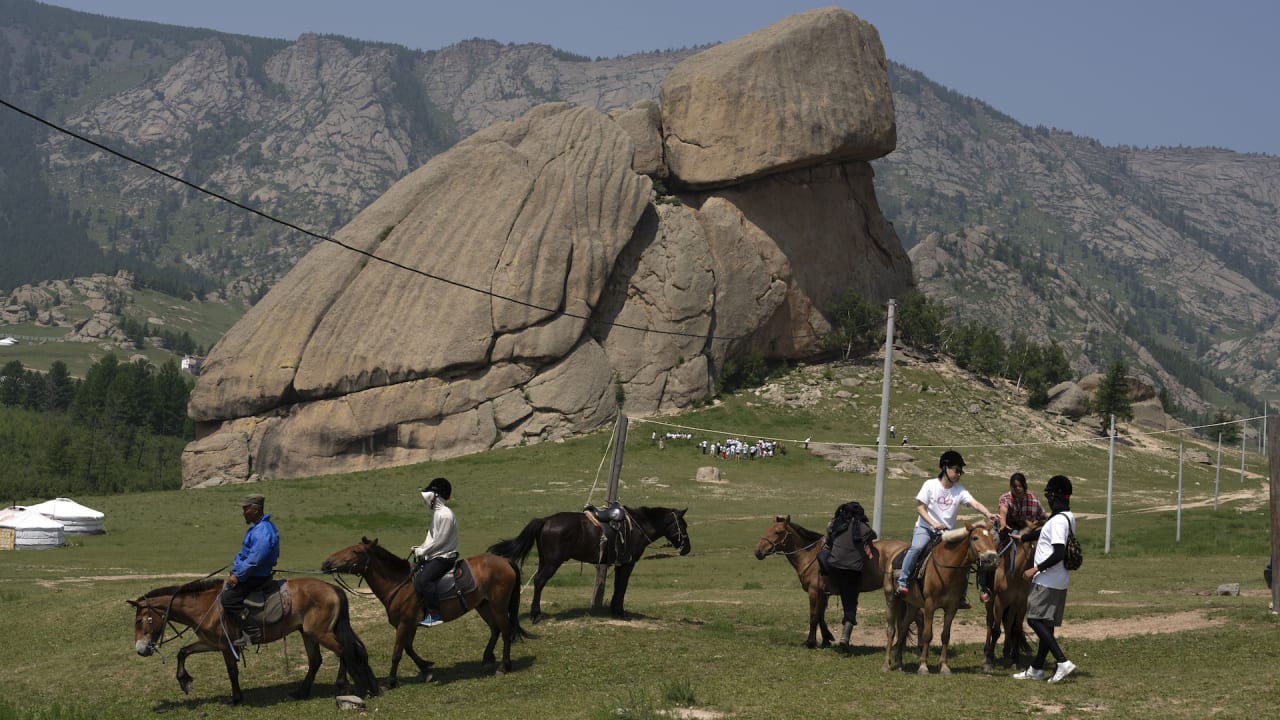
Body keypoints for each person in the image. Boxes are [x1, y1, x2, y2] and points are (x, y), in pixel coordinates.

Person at [896, 450, 999, 608]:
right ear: (945, 468)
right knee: (916, 548)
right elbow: (920, 508)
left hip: (948, 533)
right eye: (956, 470)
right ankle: (902, 582)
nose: (958, 474)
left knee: (964, 557)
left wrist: (988, 513)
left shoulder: (959, 490)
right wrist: (933, 524)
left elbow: (975, 503)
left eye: (960, 471)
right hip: (926, 528)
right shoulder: (930, 485)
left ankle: (961, 596)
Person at [1013, 474, 1078, 683]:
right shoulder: (1067, 517)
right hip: (1059, 580)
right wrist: (1023, 537)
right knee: (1046, 625)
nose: (1048, 499)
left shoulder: (1059, 521)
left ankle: (1062, 661)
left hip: (1047, 579)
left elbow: (1058, 552)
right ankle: (1036, 669)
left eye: (1049, 494)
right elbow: (1044, 533)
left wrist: (1035, 569)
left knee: (1034, 619)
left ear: (1057, 496)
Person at [220, 494, 280, 646]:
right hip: (251, 572)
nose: (243, 513)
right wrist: (235, 568)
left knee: (228, 599)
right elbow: (244, 554)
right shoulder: (257, 528)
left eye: (245, 509)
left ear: (255, 509)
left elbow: (256, 558)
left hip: (256, 576)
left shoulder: (262, 530)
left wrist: (238, 576)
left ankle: (253, 631)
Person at [979, 472, 1049, 602]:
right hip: (1005, 530)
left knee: (1041, 550)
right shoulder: (1005, 498)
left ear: (1024, 486)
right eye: (1014, 486)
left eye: (1019, 486)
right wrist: (1003, 524)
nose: (1017, 489)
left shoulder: (1033, 500)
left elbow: (1044, 518)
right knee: (989, 551)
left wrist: (1037, 527)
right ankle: (986, 586)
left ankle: (1040, 585)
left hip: (1025, 531)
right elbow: (1003, 511)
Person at [823, 501, 877, 649]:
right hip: (852, 570)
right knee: (850, 603)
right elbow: (874, 535)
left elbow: (827, 542)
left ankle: (829, 587)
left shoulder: (834, 524)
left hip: (833, 567)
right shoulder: (864, 528)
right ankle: (845, 637)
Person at [412, 477, 458, 627]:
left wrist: (423, 551)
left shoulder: (445, 515)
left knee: (425, 580)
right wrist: (420, 548)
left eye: (429, 494)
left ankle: (435, 615)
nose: (426, 500)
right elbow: (431, 537)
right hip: (436, 554)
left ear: (436, 496)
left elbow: (441, 541)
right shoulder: (437, 514)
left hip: (445, 557)